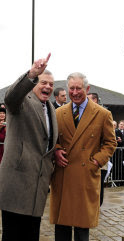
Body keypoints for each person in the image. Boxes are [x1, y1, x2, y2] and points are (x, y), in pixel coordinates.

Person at [49, 72, 117, 241]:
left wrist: (97, 161)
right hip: (63, 174)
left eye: (79, 88)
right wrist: (56, 150)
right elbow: (52, 139)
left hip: (86, 175)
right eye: (71, 88)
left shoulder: (102, 114)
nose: (75, 92)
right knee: (62, 228)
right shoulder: (59, 113)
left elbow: (110, 143)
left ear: (87, 88)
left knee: (81, 229)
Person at [0, 54, 58, 241]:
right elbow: (10, 97)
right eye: (43, 82)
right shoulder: (22, 102)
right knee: (13, 235)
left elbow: (46, 141)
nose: (48, 87)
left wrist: (55, 150)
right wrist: (32, 73)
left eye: (51, 84)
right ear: (34, 84)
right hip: (17, 184)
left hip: (38, 187)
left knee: (32, 235)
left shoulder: (51, 109)